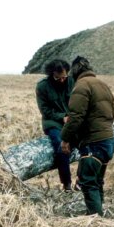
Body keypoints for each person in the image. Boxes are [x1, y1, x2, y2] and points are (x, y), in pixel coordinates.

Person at [61, 56, 114, 216]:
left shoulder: (81, 86)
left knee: (87, 181)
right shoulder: (103, 85)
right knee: (97, 181)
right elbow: (111, 114)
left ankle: (95, 220)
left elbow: (75, 117)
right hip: (108, 140)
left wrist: (65, 139)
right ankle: (100, 217)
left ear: (75, 72)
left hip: (94, 142)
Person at [36, 59, 76, 191]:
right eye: (58, 78)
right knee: (61, 146)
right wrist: (61, 117)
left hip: (72, 121)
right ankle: (67, 184)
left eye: (64, 77)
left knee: (89, 142)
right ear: (52, 73)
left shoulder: (71, 81)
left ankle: (83, 182)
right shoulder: (42, 86)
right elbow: (45, 110)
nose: (62, 81)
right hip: (53, 123)